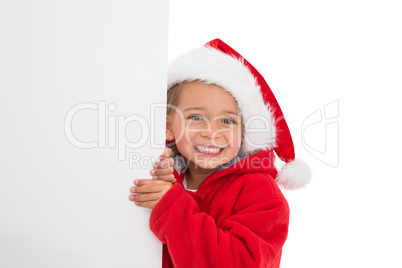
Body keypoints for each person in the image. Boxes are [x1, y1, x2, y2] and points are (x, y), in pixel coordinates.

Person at [129, 39, 311, 268]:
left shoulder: (263, 195)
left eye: (227, 120)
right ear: (168, 126)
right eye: (196, 117)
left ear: (245, 132)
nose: (212, 133)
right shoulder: (159, 174)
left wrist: (173, 207)